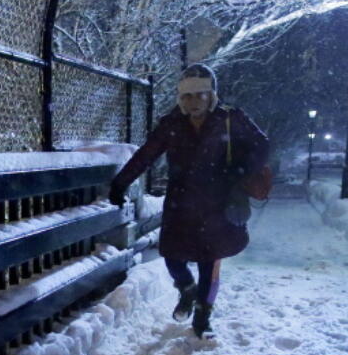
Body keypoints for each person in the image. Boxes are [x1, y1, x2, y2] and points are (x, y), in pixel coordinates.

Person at [109, 63, 269, 338]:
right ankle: (186, 288)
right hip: (180, 202)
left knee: (209, 258)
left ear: (211, 95)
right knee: (171, 254)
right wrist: (121, 182)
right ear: (180, 99)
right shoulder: (172, 124)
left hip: (218, 202)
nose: (193, 101)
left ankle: (203, 318)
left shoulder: (231, 119)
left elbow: (262, 145)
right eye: (187, 96)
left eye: (199, 94)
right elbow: (146, 154)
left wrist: (239, 171)